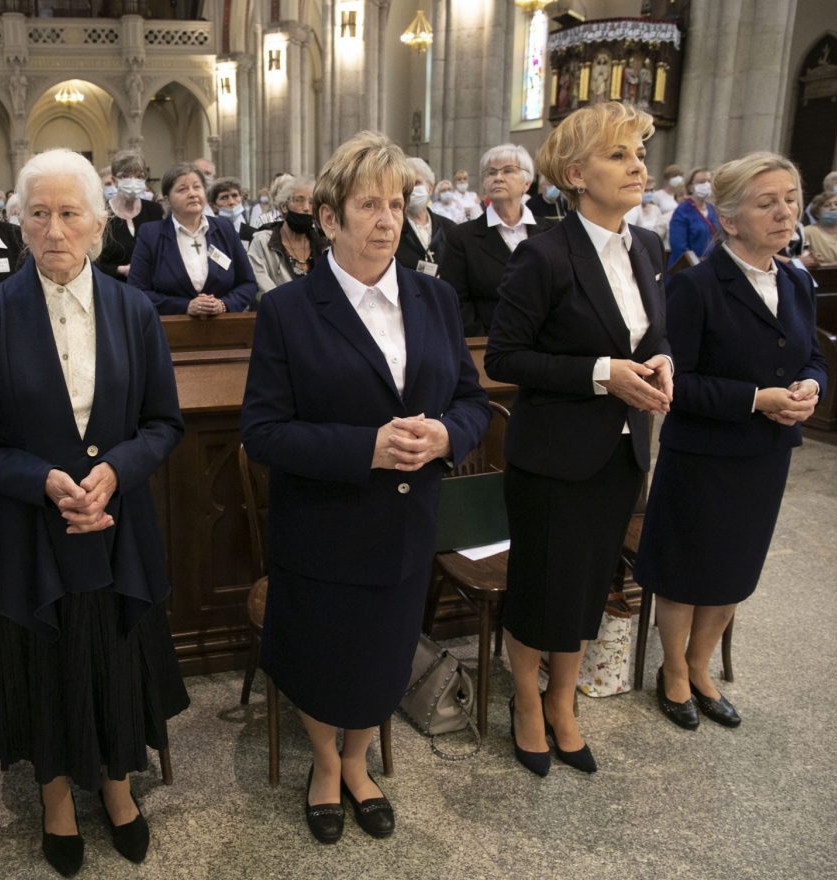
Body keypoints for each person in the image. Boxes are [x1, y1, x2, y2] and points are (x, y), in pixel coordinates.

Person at [0, 148, 189, 877]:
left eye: (69, 213)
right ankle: (54, 795)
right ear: (18, 223)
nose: (54, 230)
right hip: (30, 529)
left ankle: (116, 784)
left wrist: (115, 471)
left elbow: (163, 423)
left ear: (98, 225)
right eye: (39, 214)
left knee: (113, 653)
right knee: (42, 663)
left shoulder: (134, 310)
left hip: (116, 524)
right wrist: (43, 480)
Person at [242, 130, 489, 844]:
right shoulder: (289, 311)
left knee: (383, 656)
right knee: (322, 658)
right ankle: (326, 763)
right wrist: (367, 448)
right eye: (368, 205)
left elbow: (471, 400)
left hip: (406, 524)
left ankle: (358, 762)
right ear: (329, 218)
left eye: (397, 205)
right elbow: (263, 433)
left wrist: (446, 437)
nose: (387, 221)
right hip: (325, 523)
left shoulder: (435, 298)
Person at [485, 101, 672, 777]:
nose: (637, 166)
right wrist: (601, 374)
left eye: (639, 154)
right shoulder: (544, 254)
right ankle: (526, 705)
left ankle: (563, 703)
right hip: (554, 456)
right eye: (618, 155)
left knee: (589, 586)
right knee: (542, 589)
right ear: (575, 174)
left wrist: (662, 362)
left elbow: (649, 335)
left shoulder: (647, 246)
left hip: (621, 451)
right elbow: (503, 358)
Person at [636, 152, 826, 730]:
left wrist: (811, 387)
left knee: (734, 571)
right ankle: (673, 671)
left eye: (790, 199)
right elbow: (678, 383)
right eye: (767, 203)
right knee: (685, 571)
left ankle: (701, 667)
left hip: (766, 455)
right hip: (703, 456)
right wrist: (756, 399)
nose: (785, 212)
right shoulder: (695, 286)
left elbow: (814, 356)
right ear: (730, 219)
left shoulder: (796, 280)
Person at [128, 163, 257, 316]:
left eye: (197, 187)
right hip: (171, 326)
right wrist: (185, 306)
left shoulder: (225, 229)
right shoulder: (151, 234)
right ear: (167, 200)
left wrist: (223, 304)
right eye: (182, 189)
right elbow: (136, 291)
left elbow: (248, 283)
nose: (192, 194)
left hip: (222, 324)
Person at [441, 144, 540, 336]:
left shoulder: (550, 232)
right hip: (489, 344)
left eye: (508, 170)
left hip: (546, 345)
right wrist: (485, 341)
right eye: (491, 172)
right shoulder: (461, 237)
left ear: (527, 183)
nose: (498, 178)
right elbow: (456, 301)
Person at [246, 174, 325, 297]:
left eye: (311, 202)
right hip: (280, 307)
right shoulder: (263, 242)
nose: (306, 208)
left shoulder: (323, 244)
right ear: (283, 206)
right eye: (299, 200)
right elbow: (261, 285)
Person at [96, 150, 163, 281]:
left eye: (139, 176)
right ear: (114, 180)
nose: (133, 182)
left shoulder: (154, 210)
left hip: (150, 286)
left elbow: (163, 251)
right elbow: (94, 261)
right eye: (125, 176)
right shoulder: (103, 213)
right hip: (114, 285)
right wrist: (120, 269)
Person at [394, 158, 457, 277]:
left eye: (417, 183)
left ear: (430, 188)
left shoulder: (449, 228)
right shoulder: (394, 228)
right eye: (406, 185)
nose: (411, 189)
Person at [666, 166, 718, 268]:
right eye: (701, 182)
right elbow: (678, 246)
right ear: (690, 187)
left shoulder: (712, 209)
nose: (706, 184)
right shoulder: (682, 211)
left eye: (709, 181)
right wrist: (696, 266)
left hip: (709, 266)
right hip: (686, 267)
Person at [208, 177, 255, 245]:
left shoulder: (253, 235)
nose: (231, 202)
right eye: (224, 198)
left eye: (235, 196)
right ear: (213, 206)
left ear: (241, 199)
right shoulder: (209, 234)